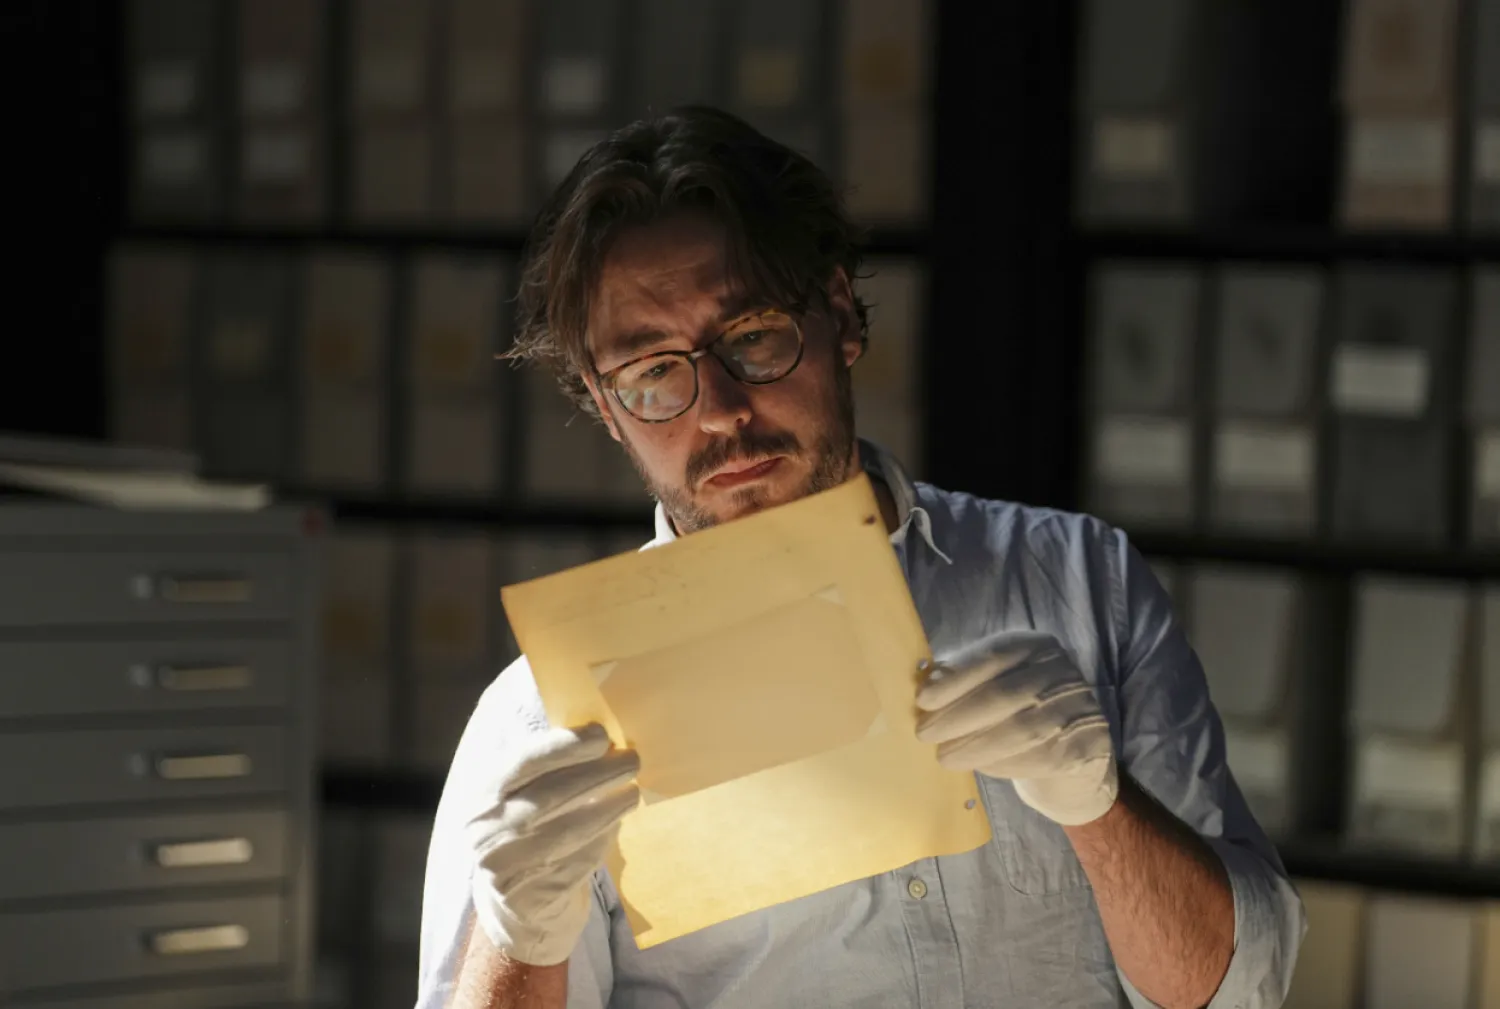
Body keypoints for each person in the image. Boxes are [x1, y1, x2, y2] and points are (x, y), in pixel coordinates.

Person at [415, 106, 1305, 1009]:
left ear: (839, 312)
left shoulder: (1081, 583)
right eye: (653, 374)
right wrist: (518, 936)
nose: (719, 407)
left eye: (754, 335)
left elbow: (1241, 992)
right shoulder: (539, 731)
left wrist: (1101, 807)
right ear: (608, 412)